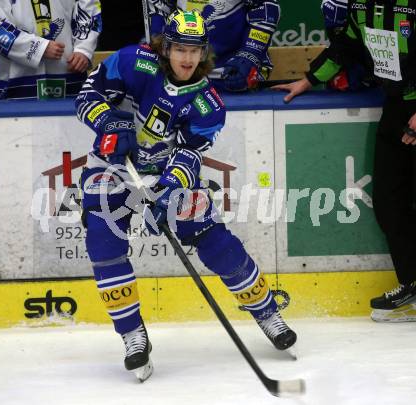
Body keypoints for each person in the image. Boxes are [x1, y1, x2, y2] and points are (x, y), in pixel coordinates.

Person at [75, 9, 296, 381]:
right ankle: (133, 336)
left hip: (164, 170)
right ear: (166, 47)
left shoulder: (208, 101)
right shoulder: (132, 61)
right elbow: (87, 95)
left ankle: (267, 312)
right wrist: (109, 122)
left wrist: (168, 190)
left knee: (215, 241)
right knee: (103, 242)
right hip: (111, 165)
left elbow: (191, 152)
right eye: (180, 49)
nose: (188, 58)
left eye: (195, 50)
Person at [273, 0, 416, 322]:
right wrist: (308, 80)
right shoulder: (361, 6)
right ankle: (412, 284)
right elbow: (345, 48)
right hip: (396, 109)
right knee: (390, 202)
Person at [0, 0, 101, 100]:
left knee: (72, 130)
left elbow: (88, 6)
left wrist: (84, 49)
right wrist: (37, 47)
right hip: (16, 84)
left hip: (70, 77)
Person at [146, 0, 281, 92]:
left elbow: (265, 8)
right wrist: (158, 43)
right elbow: (160, 6)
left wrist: (250, 54)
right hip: (181, 74)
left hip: (231, 73)